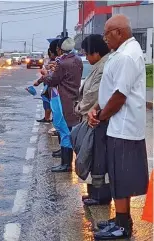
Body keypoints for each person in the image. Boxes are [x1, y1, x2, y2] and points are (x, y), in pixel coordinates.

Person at [88, 14, 149, 239]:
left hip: (124, 126)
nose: (104, 38)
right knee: (116, 175)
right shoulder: (120, 53)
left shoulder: (128, 56)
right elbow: (110, 89)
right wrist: (96, 106)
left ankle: (123, 227)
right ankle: (120, 219)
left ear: (119, 32)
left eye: (107, 34)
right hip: (117, 125)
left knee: (122, 176)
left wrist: (101, 116)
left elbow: (120, 95)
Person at [75, 34, 112, 206]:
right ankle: (95, 193)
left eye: (87, 53)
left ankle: (100, 196)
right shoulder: (98, 65)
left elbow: (93, 95)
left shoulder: (104, 66)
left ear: (96, 52)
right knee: (91, 156)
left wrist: (80, 107)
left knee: (97, 158)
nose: (86, 57)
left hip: (97, 119)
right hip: (91, 117)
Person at [49, 37, 83, 172]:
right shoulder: (77, 60)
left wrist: (46, 74)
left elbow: (53, 80)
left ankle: (66, 164)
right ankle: (66, 161)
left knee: (64, 131)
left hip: (63, 100)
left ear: (60, 49)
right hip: (73, 99)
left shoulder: (62, 63)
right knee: (67, 130)